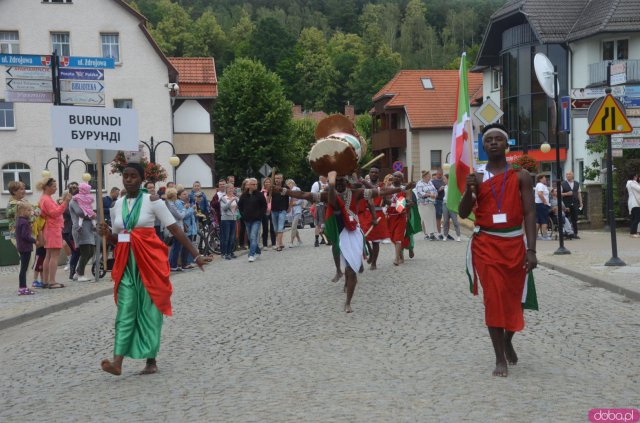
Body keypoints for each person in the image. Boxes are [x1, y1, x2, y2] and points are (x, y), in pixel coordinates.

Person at [98, 163, 205, 376]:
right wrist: (107, 233)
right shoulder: (117, 204)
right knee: (126, 309)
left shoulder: (153, 201)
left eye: (133, 176)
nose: (129, 180)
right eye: (126, 176)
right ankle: (117, 361)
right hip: (127, 264)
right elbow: (119, 237)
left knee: (149, 310)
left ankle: (151, 359)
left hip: (149, 263)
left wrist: (196, 254)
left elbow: (174, 228)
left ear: (141, 179)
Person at [458, 123, 538, 378]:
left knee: (517, 299)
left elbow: (529, 212)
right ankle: (499, 357)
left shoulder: (521, 175)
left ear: (507, 144)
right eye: (488, 140)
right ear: (483, 145)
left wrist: (532, 250)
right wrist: (470, 191)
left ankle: (507, 339)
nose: (493, 143)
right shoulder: (477, 176)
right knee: (493, 299)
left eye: (498, 139)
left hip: (515, 244)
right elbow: (462, 213)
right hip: (486, 245)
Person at [283, 172, 408, 312]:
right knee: (339, 257)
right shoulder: (328, 195)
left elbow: (380, 191)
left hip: (353, 232)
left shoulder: (356, 193)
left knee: (351, 269)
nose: (340, 184)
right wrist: (285, 191)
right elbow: (305, 195)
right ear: (334, 183)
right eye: (337, 182)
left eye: (342, 181)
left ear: (347, 182)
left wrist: (400, 189)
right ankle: (340, 272)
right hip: (337, 232)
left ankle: (348, 302)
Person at [37, 177, 72, 289]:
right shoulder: (46, 199)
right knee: (54, 256)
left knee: (48, 255)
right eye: (53, 186)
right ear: (47, 187)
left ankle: (46, 280)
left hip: (50, 228)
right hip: (53, 229)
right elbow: (55, 213)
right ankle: (52, 281)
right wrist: (65, 202)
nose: (56, 188)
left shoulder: (45, 198)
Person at [360, 167, 390, 270]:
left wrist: (389, 201)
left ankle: (374, 263)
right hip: (366, 214)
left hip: (378, 214)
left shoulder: (382, 185)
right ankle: (371, 252)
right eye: (371, 172)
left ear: (378, 174)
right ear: (369, 173)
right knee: (364, 236)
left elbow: (386, 199)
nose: (373, 174)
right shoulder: (363, 186)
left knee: (376, 240)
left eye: (375, 172)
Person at [69, 183, 97, 281]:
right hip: (80, 228)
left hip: (88, 228)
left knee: (90, 251)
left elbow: (88, 208)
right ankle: (80, 274)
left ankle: (78, 272)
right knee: (85, 251)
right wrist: (92, 215)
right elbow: (79, 212)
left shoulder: (84, 199)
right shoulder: (74, 201)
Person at [238, 177, 267, 262]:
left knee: (253, 236)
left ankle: (251, 254)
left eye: (256, 184)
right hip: (247, 219)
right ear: (249, 185)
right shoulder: (244, 195)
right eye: (253, 184)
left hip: (256, 220)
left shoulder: (260, 195)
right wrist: (243, 215)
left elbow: (264, 206)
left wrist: (260, 215)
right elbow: (240, 206)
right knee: (251, 238)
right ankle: (258, 251)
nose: (255, 186)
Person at [386, 171, 411, 266]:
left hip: (400, 216)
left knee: (398, 237)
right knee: (393, 237)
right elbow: (385, 201)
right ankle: (400, 255)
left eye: (398, 177)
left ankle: (396, 258)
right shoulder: (388, 188)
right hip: (390, 216)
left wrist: (407, 203)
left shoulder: (405, 189)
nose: (396, 178)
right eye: (395, 176)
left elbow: (408, 200)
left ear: (402, 179)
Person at [166, 188, 190, 271]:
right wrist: (184, 208)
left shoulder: (171, 203)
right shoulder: (171, 205)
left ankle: (173, 264)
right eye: (176, 194)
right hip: (176, 228)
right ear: (173, 195)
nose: (177, 196)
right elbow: (180, 216)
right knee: (176, 247)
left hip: (176, 227)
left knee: (176, 247)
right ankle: (173, 265)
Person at [15, 201, 37, 296]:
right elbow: (25, 236)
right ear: (22, 211)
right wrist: (35, 241)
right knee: (24, 268)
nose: (30, 212)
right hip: (25, 247)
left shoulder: (19, 220)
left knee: (24, 268)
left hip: (22, 246)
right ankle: (22, 288)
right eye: (28, 210)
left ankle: (23, 287)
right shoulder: (24, 222)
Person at [62, 182, 80, 280]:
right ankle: (73, 272)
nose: (75, 189)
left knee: (77, 251)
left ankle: (75, 271)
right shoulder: (68, 204)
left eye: (76, 188)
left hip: (71, 231)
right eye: (73, 188)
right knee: (76, 251)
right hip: (68, 232)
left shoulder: (75, 201)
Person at [415, 170, 438, 240]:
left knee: (432, 218)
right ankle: (427, 234)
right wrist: (429, 195)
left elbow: (435, 190)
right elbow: (419, 193)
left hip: (431, 203)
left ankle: (432, 234)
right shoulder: (419, 183)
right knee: (426, 219)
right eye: (429, 176)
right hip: (423, 204)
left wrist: (435, 195)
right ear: (424, 177)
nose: (430, 177)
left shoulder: (430, 182)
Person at [561, 171, 583, 239]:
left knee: (575, 218)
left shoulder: (577, 183)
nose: (568, 175)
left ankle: (575, 233)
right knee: (566, 218)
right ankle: (566, 233)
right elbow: (558, 194)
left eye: (569, 174)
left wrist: (581, 203)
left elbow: (579, 193)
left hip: (575, 203)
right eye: (567, 174)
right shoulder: (562, 183)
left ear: (572, 175)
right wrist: (566, 194)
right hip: (566, 203)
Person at [219, 183, 239, 260]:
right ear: (226, 189)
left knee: (232, 237)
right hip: (225, 219)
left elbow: (237, 207)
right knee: (226, 237)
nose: (231, 190)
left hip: (233, 219)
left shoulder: (236, 198)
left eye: (232, 188)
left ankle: (230, 252)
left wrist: (237, 204)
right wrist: (231, 201)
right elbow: (224, 208)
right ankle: (225, 253)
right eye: (229, 188)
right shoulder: (223, 198)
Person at [270, 173, 289, 251]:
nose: (277, 180)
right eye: (276, 178)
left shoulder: (285, 187)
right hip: (274, 210)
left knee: (280, 227)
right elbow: (268, 197)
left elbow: (290, 198)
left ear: (282, 179)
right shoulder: (272, 187)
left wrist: (289, 207)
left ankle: (278, 245)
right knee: (275, 228)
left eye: (278, 178)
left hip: (282, 210)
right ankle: (280, 243)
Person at [442, 175, 461, 242]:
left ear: (448, 179)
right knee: (446, 221)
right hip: (445, 204)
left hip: (452, 205)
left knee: (455, 221)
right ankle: (445, 235)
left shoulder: (454, 186)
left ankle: (458, 235)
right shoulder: (445, 186)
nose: (443, 180)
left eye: (444, 179)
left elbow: (458, 195)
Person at [311, 175, 328, 247]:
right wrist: (314, 206)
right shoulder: (316, 184)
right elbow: (312, 195)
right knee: (318, 224)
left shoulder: (329, 184)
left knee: (327, 223)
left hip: (328, 206)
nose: (327, 177)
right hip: (319, 206)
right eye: (325, 176)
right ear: (321, 177)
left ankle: (326, 238)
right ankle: (316, 240)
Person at [287, 179, 303, 248]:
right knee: (294, 227)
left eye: (290, 183)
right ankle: (299, 240)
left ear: (293, 183)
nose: (289, 185)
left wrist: (295, 203)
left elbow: (301, 198)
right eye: (288, 184)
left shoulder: (297, 189)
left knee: (294, 226)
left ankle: (291, 241)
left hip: (297, 210)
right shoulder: (287, 191)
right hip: (290, 211)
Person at [534, 175, 551, 240]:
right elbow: (540, 193)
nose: (545, 179)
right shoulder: (540, 185)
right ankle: (545, 235)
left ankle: (535, 236)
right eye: (544, 178)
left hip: (538, 204)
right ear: (540, 179)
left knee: (538, 220)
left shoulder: (540, 185)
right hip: (542, 204)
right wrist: (544, 201)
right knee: (544, 220)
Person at [260, 177, 276, 249]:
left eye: (269, 182)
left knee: (272, 228)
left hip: (272, 211)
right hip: (264, 211)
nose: (267, 183)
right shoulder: (261, 192)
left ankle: (273, 243)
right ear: (264, 183)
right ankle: (265, 244)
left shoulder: (273, 191)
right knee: (265, 228)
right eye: (266, 182)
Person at [431, 169, 446, 239]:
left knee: (446, 217)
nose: (439, 176)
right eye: (438, 174)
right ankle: (438, 232)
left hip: (445, 201)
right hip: (437, 201)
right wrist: (439, 190)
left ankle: (445, 233)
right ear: (436, 174)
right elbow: (432, 192)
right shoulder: (433, 182)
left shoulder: (444, 181)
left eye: (440, 174)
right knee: (438, 217)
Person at [626, 172, 640, 238]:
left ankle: (634, 232)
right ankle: (632, 233)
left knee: (635, 218)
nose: (637, 178)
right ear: (634, 177)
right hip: (635, 203)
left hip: (633, 203)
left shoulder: (630, 183)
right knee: (636, 218)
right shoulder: (632, 183)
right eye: (636, 176)